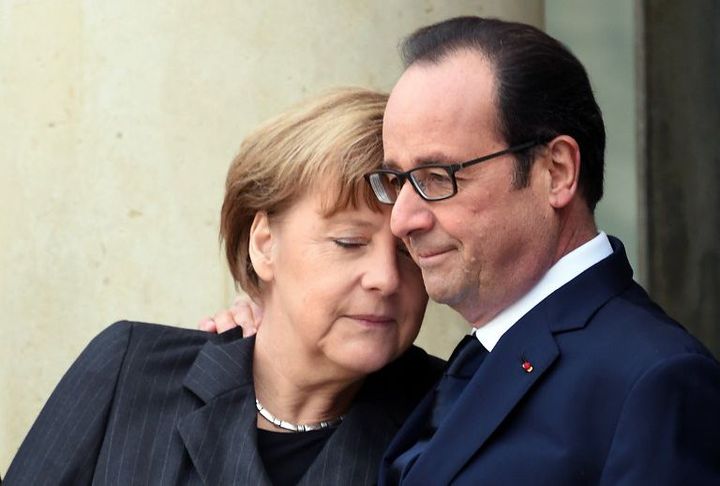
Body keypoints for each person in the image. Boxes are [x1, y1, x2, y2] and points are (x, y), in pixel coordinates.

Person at [5, 88, 443, 485]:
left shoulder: (449, 414)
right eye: (349, 242)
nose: (386, 278)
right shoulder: (129, 370)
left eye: (410, 248)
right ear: (264, 245)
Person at [362, 16, 720, 485]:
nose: (402, 219)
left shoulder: (655, 380)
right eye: (398, 181)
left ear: (556, 171)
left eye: (437, 178)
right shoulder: (475, 355)